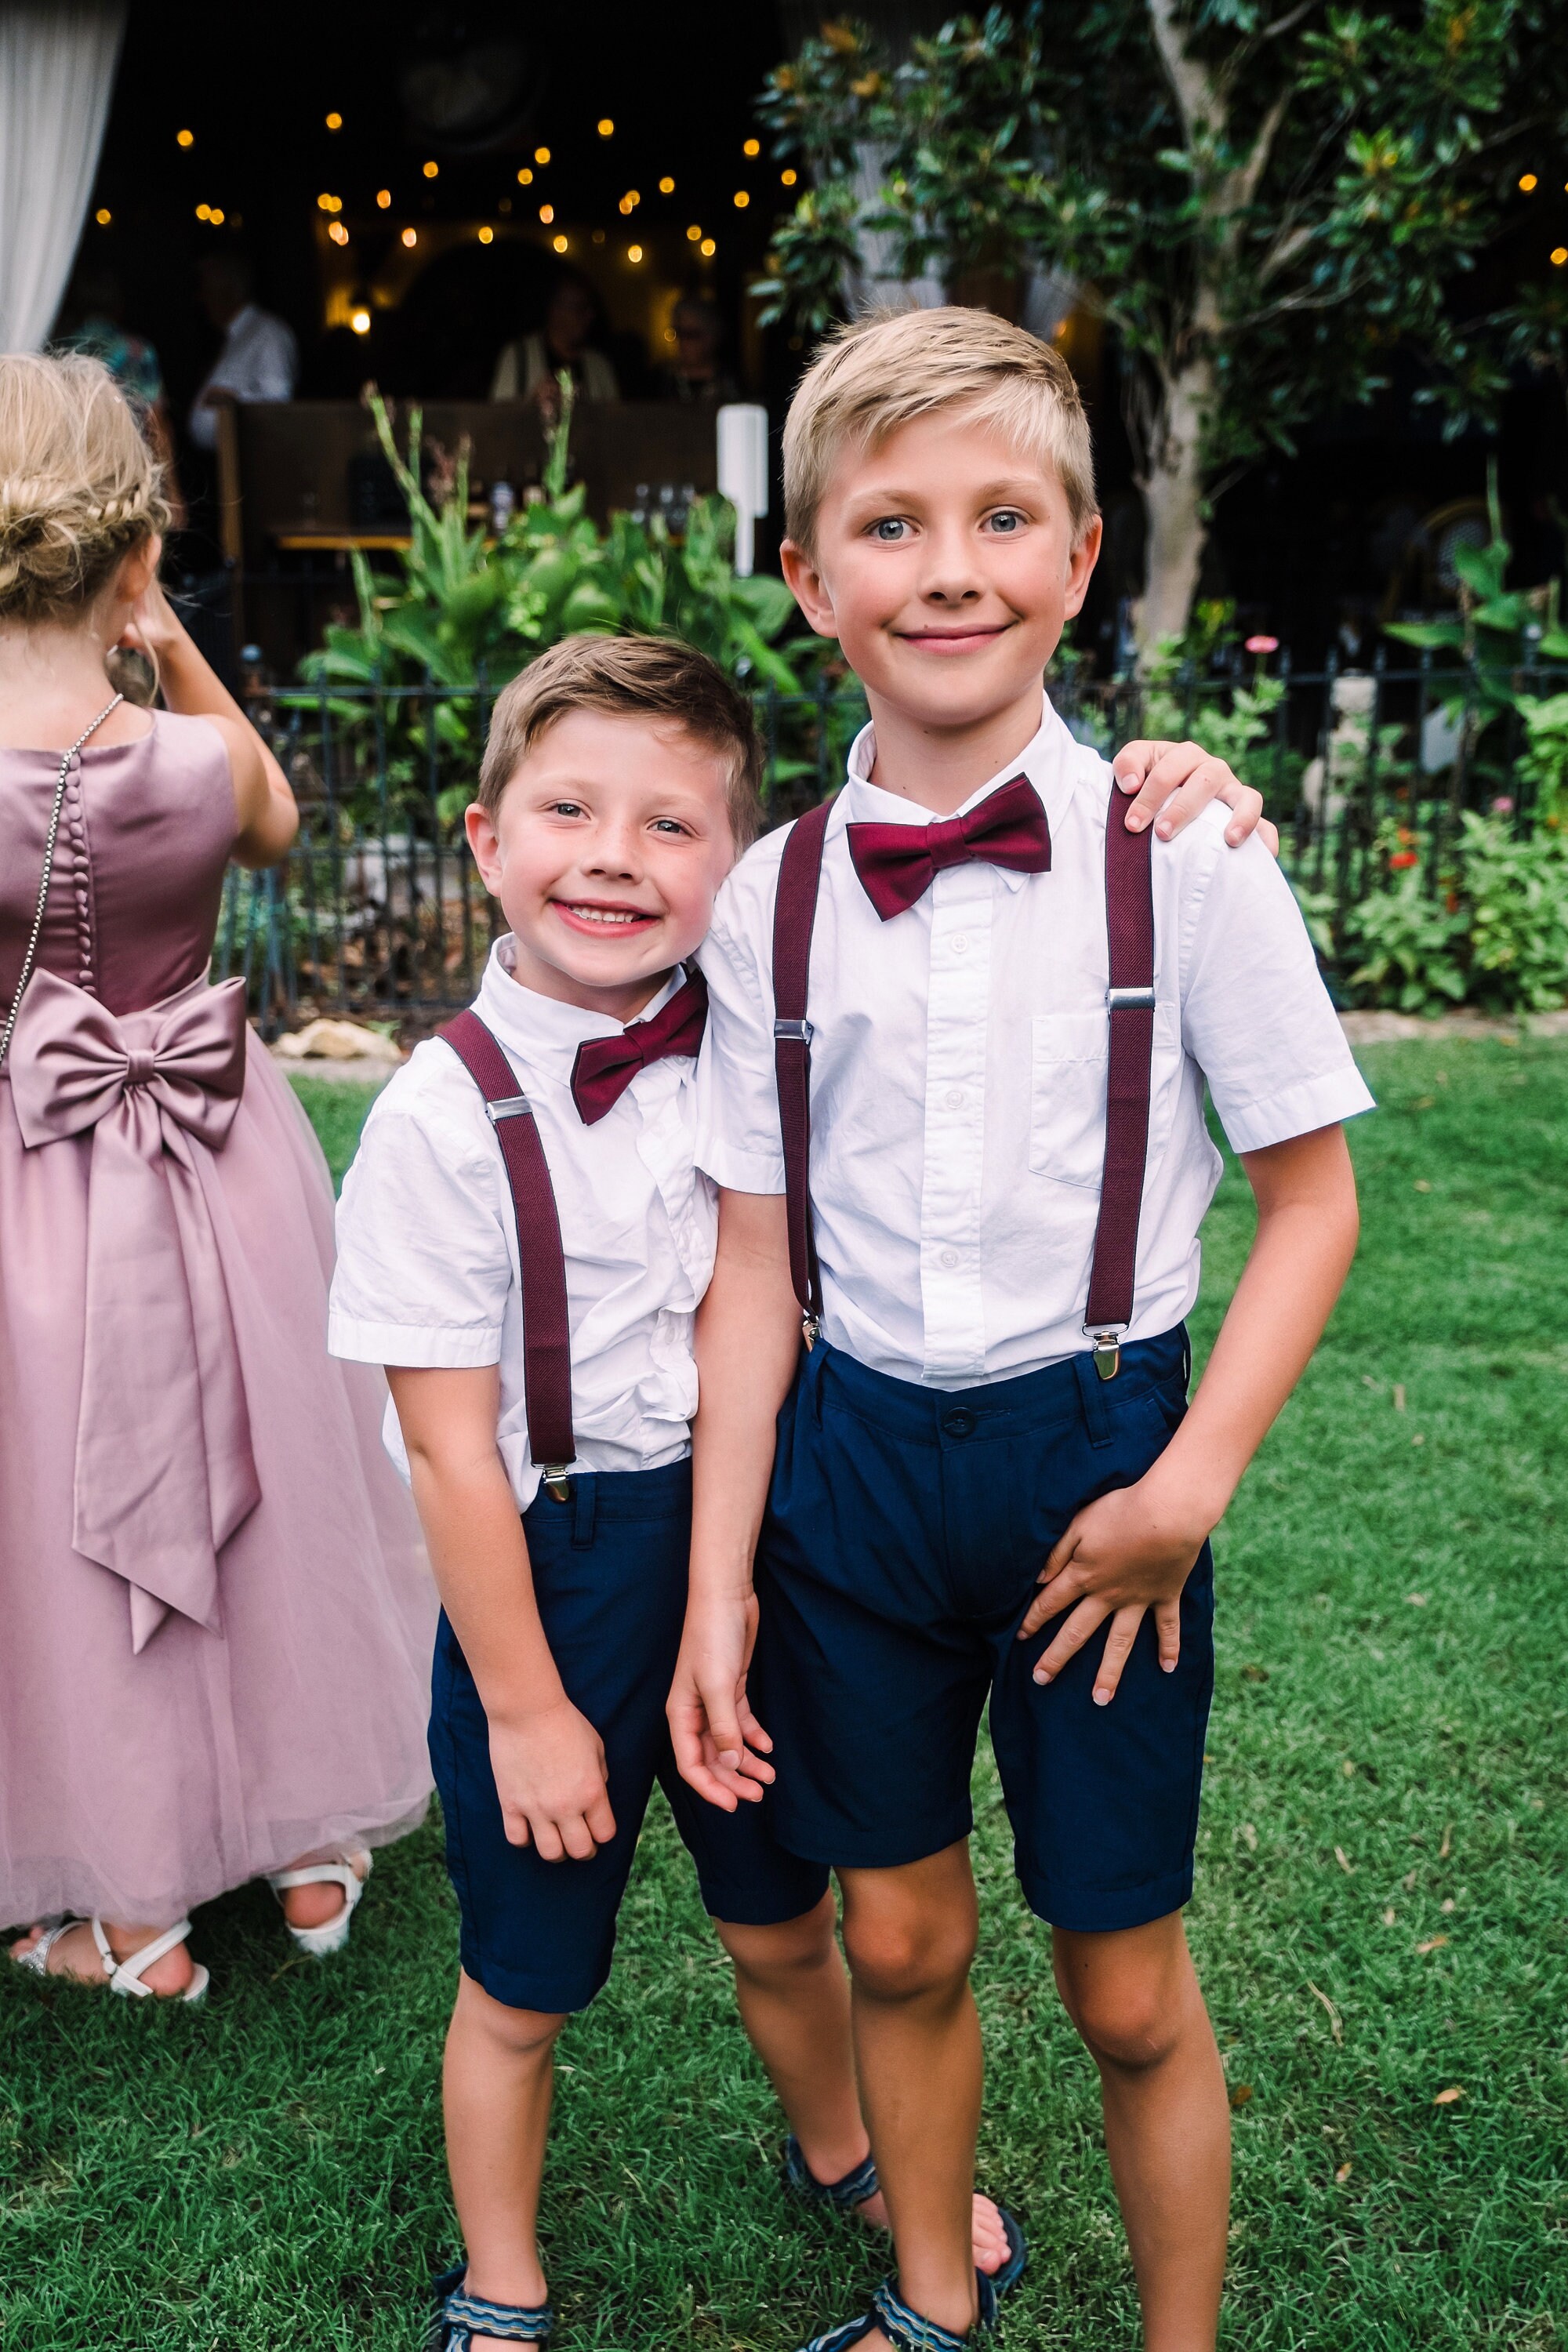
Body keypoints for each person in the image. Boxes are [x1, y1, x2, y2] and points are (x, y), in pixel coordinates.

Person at [328, 625, 1272, 2346]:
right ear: (484, 837)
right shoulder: (436, 1118)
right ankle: (501, 2282)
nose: (615, 860)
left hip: (759, 1525)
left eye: (669, 827)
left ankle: (845, 2151)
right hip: (554, 1569)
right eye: (567, 814)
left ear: (732, 864)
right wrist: (527, 1708)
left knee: (784, 1911)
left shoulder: (759, 986)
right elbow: (450, 1449)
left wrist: (1181, 784)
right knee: (526, 1968)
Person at [670, 305, 1373, 2352]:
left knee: (1126, 1987)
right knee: (896, 1943)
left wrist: (1184, 1492)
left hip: (1105, 1464)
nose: (949, 570)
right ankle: (927, 2305)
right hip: (852, 1481)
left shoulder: (1189, 858)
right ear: (809, 579)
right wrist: (718, 1588)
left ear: (1078, 558)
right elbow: (749, 1266)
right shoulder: (768, 897)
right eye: (888, 525)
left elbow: (1313, 1204)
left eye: (1001, 520)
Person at [1, 352, 434, 2002]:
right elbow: (276, 823)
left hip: (29, 1170)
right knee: (268, 1482)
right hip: (220, 1161)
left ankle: (134, 1916)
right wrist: (162, 632)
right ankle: (311, 1854)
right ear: (134, 551)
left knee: (64, 1513)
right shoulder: (197, 766)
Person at [56, 261, 187, 526]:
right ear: (118, 305)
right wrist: (172, 493)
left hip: (70, 480)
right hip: (126, 477)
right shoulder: (136, 350)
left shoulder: (55, 347)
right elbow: (156, 423)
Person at [188, 251, 298, 452]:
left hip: (254, 459)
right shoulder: (233, 336)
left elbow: (278, 404)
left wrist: (234, 402)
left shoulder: (268, 333)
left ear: (228, 290)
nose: (201, 299)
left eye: (207, 289)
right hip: (226, 458)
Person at [490, 272, 619, 423]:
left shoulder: (599, 366)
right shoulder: (519, 356)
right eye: (580, 308)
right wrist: (531, 404)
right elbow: (495, 417)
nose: (590, 316)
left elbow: (617, 421)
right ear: (555, 310)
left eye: (590, 308)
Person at [657, 295, 742, 407]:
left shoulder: (730, 383)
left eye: (691, 335)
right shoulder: (662, 382)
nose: (682, 342)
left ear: (711, 336)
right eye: (678, 333)